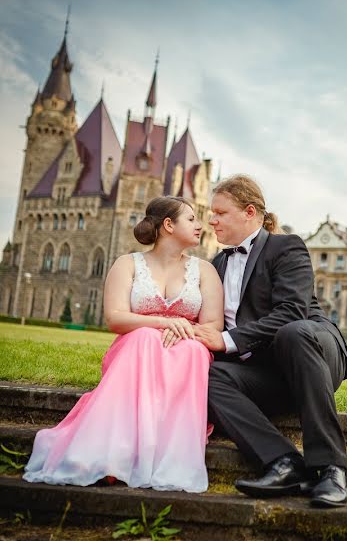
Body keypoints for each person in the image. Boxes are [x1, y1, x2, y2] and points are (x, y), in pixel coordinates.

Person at [23, 196, 224, 493]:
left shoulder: (205, 270)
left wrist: (184, 332)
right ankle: (113, 454)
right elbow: (115, 318)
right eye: (192, 219)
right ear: (168, 225)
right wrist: (163, 323)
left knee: (195, 351)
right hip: (136, 349)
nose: (200, 225)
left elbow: (212, 327)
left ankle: (172, 455)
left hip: (186, 348)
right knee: (143, 339)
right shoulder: (127, 264)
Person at [185, 174, 347, 508]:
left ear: (249, 212)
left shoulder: (286, 247)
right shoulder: (217, 264)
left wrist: (227, 339)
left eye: (220, 212)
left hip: (312, 355)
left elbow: (293, 311)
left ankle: (332, 467)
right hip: (265, 373)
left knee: (293, 331)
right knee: (209, 375)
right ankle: (284, 462)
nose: (211, 219)